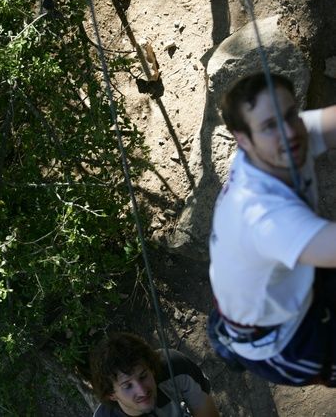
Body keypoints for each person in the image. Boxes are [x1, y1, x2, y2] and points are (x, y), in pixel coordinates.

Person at [208, 71, 336, 386]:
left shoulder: (281, 143)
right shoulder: (262, 215)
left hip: (285, 285)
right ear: (242, 139)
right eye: (269, 126)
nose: (289, 132)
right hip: (284, 340)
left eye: (291, 114)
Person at [89, 331, 220, 416]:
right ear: (111, 395)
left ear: (151, 368)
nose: (142, 391)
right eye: (127, 386)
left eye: (143, 376)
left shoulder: (175, 367)